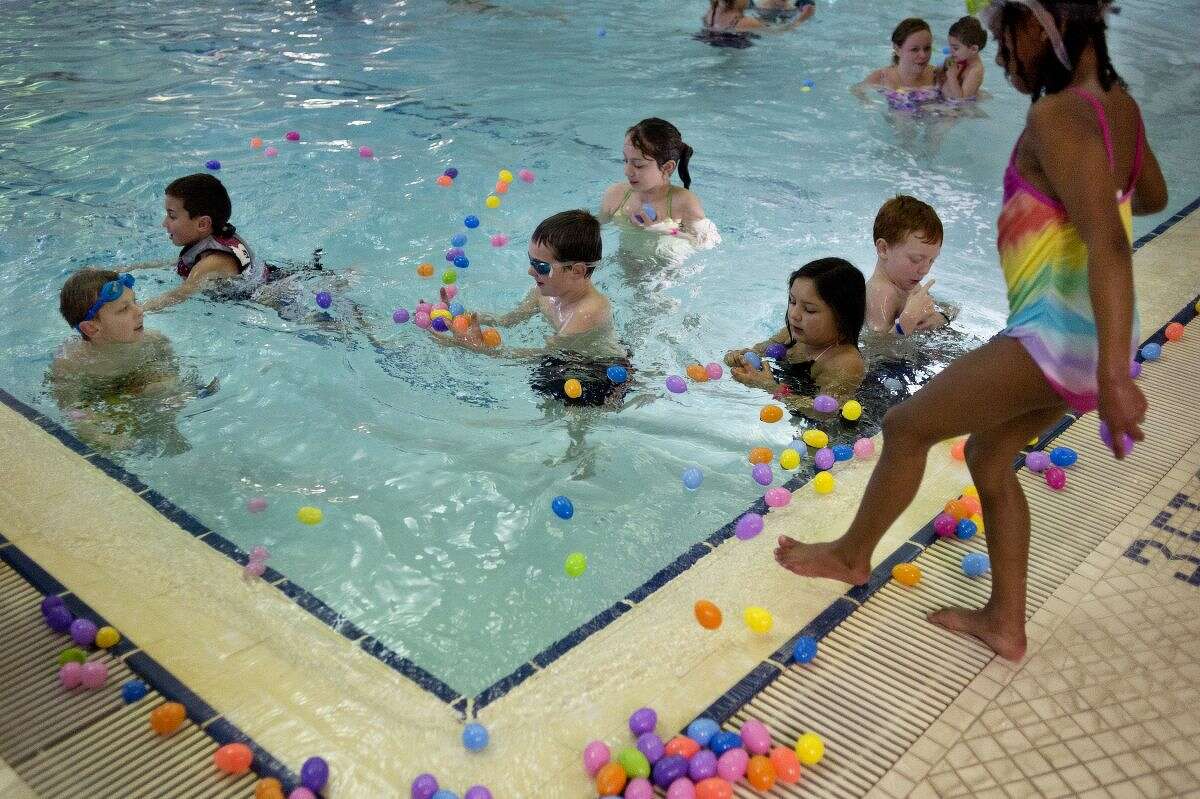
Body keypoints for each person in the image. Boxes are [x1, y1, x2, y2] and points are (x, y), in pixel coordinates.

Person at [775, 0, 1167, 661]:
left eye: (1004, 35)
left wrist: (1114, 378)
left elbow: (1109, 241)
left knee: (905, 426)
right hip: (1085, 336)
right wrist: (1091, 190)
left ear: (1042, 25)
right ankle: (1004, 622)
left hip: (1056, 339)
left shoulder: (1057, 113)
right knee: (990, 456)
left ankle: (850, 554)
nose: (1001, 56)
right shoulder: (1114, 103)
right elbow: (1149, 196)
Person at [434, 210, 629, 407]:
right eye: (530, 261)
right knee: (544, 382)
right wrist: (462, 317)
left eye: (541, 266)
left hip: (602, 370)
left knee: (568, 407)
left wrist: (482, 349)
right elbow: (507, 321)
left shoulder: (587, 312)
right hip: (569, 358)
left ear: (577, 271)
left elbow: (543, 355)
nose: (530, 271)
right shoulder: (541, 293)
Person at [49, 268, 213, 454]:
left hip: (138, 383)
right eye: (124, 309)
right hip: (97, 396)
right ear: (92, 329)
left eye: (134, 302)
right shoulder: (70, 363)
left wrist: (176, 392)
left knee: (159, 391)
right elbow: (71, 411)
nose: (139, 311)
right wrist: (106, 438)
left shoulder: (155, 342)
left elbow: (172, 372)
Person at [724, 258, 866, 417]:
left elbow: (824, 413)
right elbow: (756, 352)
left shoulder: (844, 363)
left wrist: (769, 386)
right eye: (792, 301)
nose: (794, 314)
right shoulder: (791, 335)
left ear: (842, 318)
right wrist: (739, 358)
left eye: (809, 310)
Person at [141, 174, 271, 312]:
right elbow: (175, 263)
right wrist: (128, 270)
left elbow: (178, 295)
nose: (164, 223)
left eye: (172, 216)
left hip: (275, 298)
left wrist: (136, 311)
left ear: (203, 224)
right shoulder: (210, 238)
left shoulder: (211, 263)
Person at [598, 118, 720, 257]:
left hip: (666, 273)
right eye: (625, 160)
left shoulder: (683, 202)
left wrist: (668, 231)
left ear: (667, 167)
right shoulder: (616, 195)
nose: (627, 171)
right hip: (623, 263)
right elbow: (592, 232)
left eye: (638, 165)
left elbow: (709, 244)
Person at [864, 195, 949, 336]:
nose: (925, 270)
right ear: (883, 249)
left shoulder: (908, 282)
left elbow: (949, 309)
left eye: (931, 260)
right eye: (915, 259)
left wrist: (942, 317)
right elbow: (877, 350)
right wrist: (907, 321)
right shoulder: (881, 293)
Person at [858, 18, 941, 112]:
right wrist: (868, 104)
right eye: (915, 49)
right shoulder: (882, 77)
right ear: (897, 49)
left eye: (927, 48)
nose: (923, 55)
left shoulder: (937, 75)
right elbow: (857, 90)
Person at [941, 15, 988, 100]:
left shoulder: (975, 71)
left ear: (973, 49)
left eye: (955, 48)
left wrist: (952, 77)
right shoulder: (960, 58)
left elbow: (962, 100)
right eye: (950, 46)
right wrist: (945, 68)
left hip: (959, 110)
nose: (951, 51)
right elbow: (942, 77)